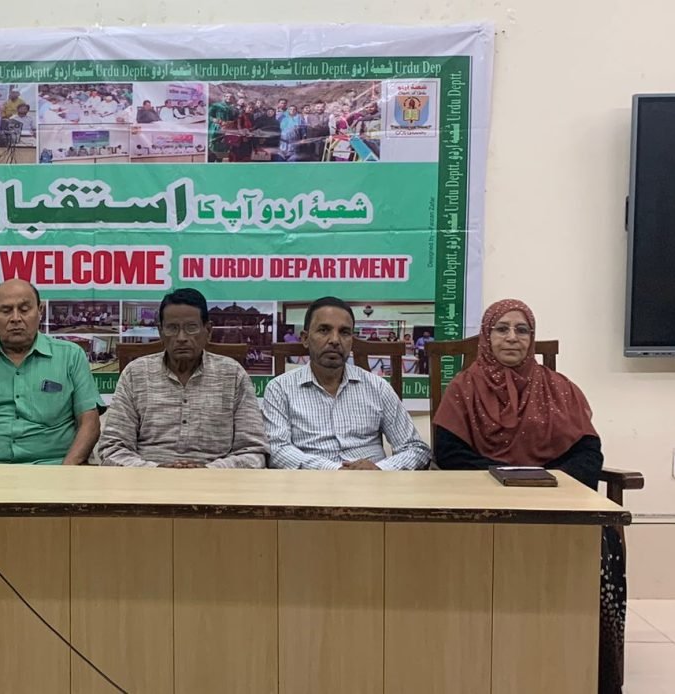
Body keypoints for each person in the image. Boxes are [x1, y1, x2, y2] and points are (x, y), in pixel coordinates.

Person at [432, 299, 625, 693]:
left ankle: (588, 663)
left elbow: (589, 452)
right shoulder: (464, 388)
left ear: (531, 339)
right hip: (484, 502)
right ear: (486, 336)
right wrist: (505, 480)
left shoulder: (560, 389)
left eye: (522, 330)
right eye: (501, 329)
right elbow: (450, 453)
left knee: (603, 542)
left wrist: (550, 485)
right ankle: (466, 658)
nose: (512, 337)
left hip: (554, 501)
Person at [101, 289, 266, 468]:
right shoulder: (135, 374)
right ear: (160, 332)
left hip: (217, 479)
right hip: (146, 478)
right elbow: (112, 448)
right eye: (172, 328)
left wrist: (210, 471)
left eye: (191, 327)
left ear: (208, 330)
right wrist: (154, 470)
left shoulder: (233, 375)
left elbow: (253, 452)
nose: (181, 338)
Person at [0, 279, 101, 466]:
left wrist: (68, 469)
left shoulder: (71, 356)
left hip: (55, 468)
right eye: (6, 310)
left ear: (40, 311)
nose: (16, 318)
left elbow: (90, 424)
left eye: (24, 310)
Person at [263, 296, 430, 470]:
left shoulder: (377, 387)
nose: (335, 340)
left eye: (344, 332)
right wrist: (334, 470)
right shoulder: (280, 389)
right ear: (305, 338)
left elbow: (415, 448)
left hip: (372, 482)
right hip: (311, 481)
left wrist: (380, 469)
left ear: (352, 340)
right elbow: (277, 450)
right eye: (324, 330)